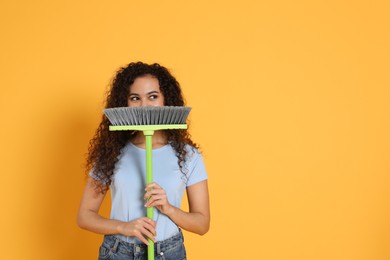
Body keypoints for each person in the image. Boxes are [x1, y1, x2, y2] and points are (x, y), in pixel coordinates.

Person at [77, 62, 210, 260]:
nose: (144, 105)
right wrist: (124, 227)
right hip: (118, 252)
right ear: (125, 103)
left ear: (166, 100)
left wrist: (168, 208)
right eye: (135, 98)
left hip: (168, 253)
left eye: (153, 96)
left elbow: (202, 225)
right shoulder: (111, 153)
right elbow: (85, 216)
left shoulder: (189, 156)